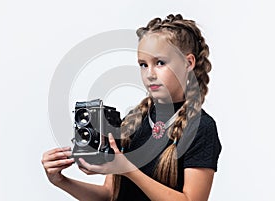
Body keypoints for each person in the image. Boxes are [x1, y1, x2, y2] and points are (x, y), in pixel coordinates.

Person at [42, 14, 222, 201]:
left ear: (188, 62)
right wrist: (60, 181)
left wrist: (128, 170)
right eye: (143, 65)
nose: (150, 74)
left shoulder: (200, 127)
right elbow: (109, 195)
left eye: (160, 63)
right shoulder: (132, 122)